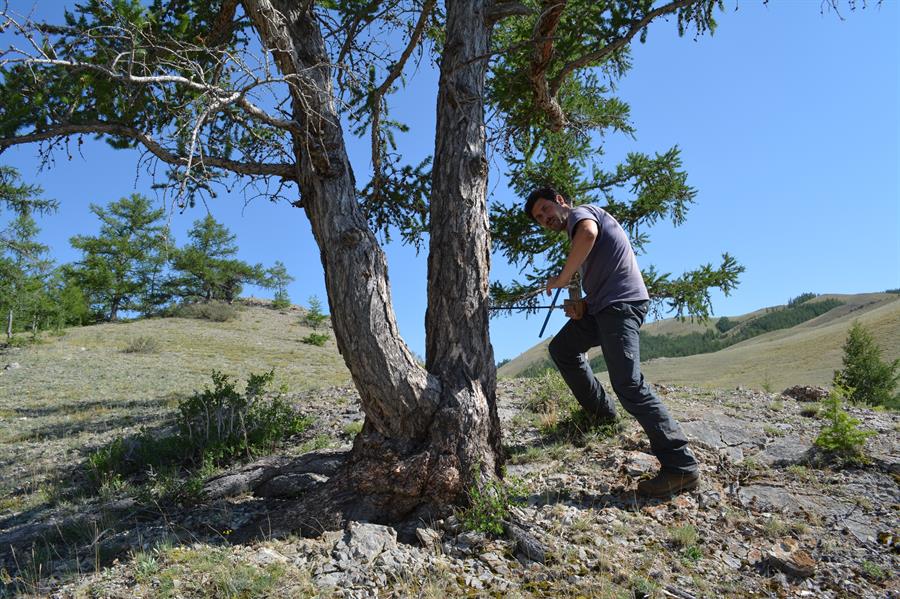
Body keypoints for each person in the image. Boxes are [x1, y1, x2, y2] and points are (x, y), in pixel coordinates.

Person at [525, 186, 699, 497]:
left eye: (545, 209)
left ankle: (681, 467)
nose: (544, 218)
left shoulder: (581, 215)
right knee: (562, 349)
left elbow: (589, 234)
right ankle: (601, 414)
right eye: (539, 218)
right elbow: (598, 265)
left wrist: (563, 278)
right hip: (603, 306)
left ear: (560, 202)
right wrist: (583, 306)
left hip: (620, 306)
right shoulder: (575, 227)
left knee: (629, 384)